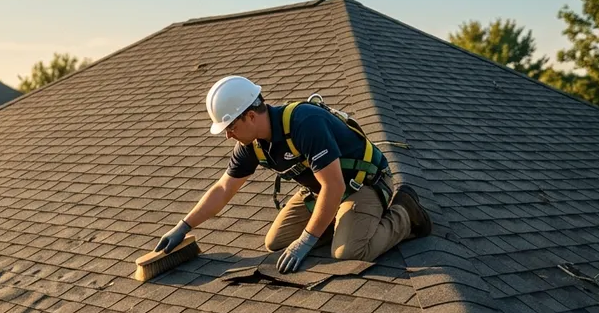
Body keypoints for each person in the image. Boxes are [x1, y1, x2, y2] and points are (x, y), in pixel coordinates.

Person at [156, 76, 431, 272]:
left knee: (348, 253)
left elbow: (334, 185)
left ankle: (405, 212)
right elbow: (224, 188)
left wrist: (307, 241)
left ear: (251, 116)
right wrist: (184, 226)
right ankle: (340, 222)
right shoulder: (251, 144)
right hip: (320, 190)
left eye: (230, 126)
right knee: (275, 242)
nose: (228, 136)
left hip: (361, 183)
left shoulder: (304, 123)